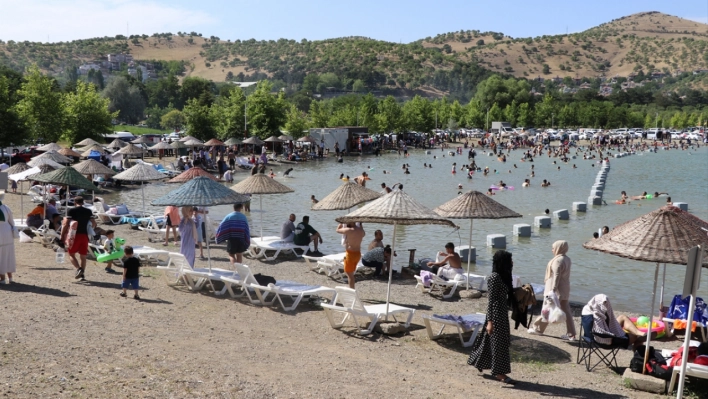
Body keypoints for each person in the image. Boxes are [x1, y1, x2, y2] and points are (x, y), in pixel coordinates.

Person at [468, 250, 516, 385]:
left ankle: (479, 361)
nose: (512, 262)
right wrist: (490, 321)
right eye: (509, 260)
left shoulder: (504, 275)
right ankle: (499, 373)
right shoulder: (494, 277)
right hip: (495, 314)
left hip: (502, 313)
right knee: (498, 344)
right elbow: (491, 301)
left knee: (489, 341)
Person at [529, 240, 576, 340]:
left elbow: (556, 275)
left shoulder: (558, 260)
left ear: (559, 248)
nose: (552, 250)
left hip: (556, 289)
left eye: (553, 248)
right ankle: (571, 334)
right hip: (565, 288)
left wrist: (553, 290)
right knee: (566, 311)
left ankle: (538, 329)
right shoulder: (567, 259)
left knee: (547, 309)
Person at [581, 294, 647, 349]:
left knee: (622, 317)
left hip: (589, 337)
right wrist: (616, 335)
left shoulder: (587, 310)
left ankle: (639, 332)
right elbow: (601, 333)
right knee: (636, 336)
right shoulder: (596, 317)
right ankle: (638, 359)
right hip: (606, 341)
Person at [66, 197, 95, 281]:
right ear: (83, 202)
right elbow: (94, 223)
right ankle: (82, 275)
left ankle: (79, 269)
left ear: (75, 202)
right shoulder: (88, 211)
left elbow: (66, 223)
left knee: (71, 254)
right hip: (84, 235)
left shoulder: (72, 211)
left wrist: (63, 234)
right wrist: (90, 229)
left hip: (74, 235)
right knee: (83, 256)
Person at [336, 222, 365, 288]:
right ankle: (352, 288)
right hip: (358, 254)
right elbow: (363, 234)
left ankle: (352, 290)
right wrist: (360, 225)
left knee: (350, 275)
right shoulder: (361, 231)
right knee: (351, 273)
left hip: (350, 254)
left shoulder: (349, 230)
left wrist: (341, 223)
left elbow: (337, 230)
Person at [0, 191, 16, 284]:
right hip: (7, 232)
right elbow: (12, 222)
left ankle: (2, 279)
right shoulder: (6, 208)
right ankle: (10, 278)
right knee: (8, 254)